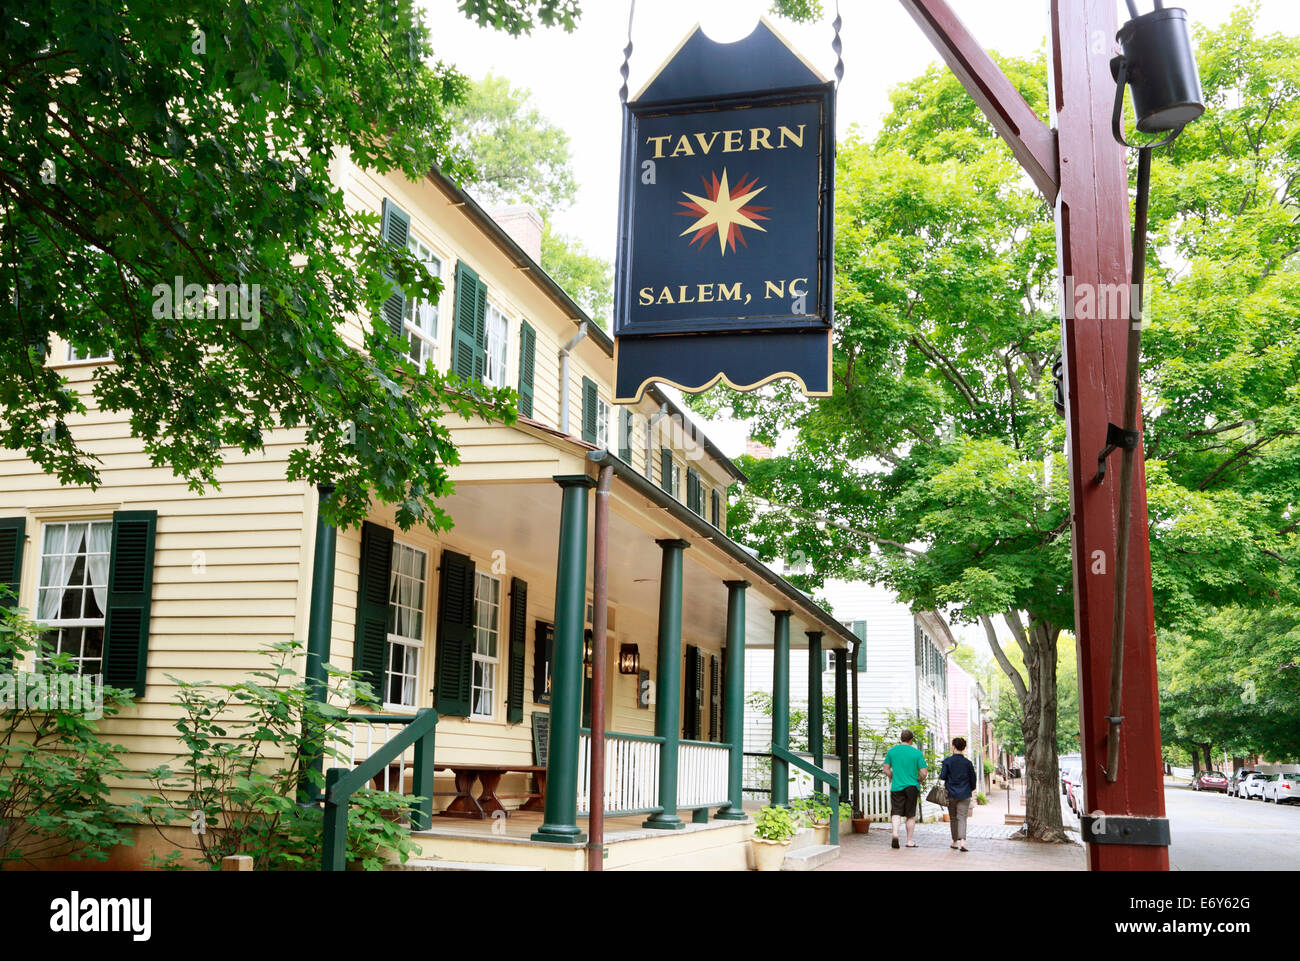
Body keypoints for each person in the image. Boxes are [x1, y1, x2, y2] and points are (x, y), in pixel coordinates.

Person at [882, 729, 928, 849]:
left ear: (901, 738)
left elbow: (885, 768)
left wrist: (892, 776)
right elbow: (924, 772)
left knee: (896, 812)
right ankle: (909, 841)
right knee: (910, 815)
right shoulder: (917, 753)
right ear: (911, 740)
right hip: (912, 787)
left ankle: (896, 833)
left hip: (897, 786)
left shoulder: (892, 751)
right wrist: (919, 780)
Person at [940, 737, 977, 852]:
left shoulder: (947, 761)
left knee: (953, 818)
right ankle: (963, 842)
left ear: (953, 747)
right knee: (962, 818)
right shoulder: (968, 763)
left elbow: (942, 776)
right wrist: (970, 789)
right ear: (963, 748)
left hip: (951, 793)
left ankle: (955, 842)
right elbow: (973, 779)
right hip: (965, 793)